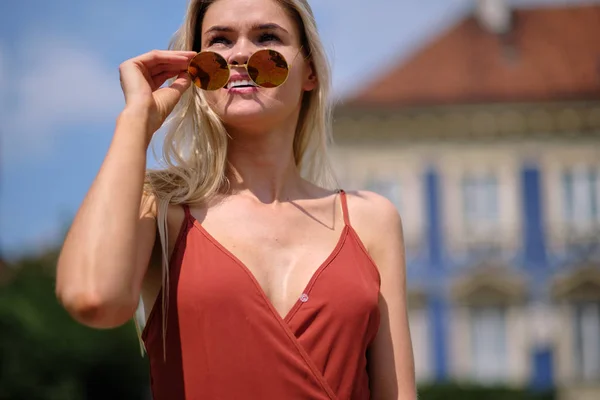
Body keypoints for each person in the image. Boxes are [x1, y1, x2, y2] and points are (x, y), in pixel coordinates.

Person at [56, 0, 417, 398]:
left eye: (267, 38)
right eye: (220, 42)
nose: (241, 54)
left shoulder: (370, 220)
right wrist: (136, 120)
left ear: (309, 70)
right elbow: (93, 299)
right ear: (196, 71)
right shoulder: (160, 209)